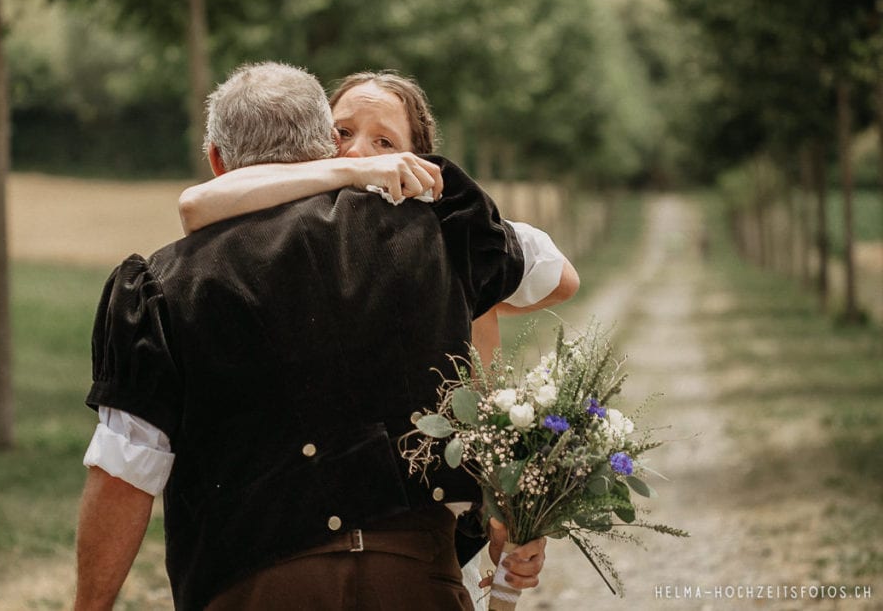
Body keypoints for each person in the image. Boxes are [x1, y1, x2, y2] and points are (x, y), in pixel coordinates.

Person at [74, 62, 570, 610]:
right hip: (416, 583)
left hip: (252, 585)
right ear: (324, 147)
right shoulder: (444, 232)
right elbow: (552, 272)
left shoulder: (163, 285)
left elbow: (125, 471)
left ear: (217, 160)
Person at [177, 70, 580, 366]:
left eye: (383, 142)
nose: (356, 152)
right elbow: (196, 205)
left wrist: (459, 299)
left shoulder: (448, 224)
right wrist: (349, 173)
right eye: (343, 133)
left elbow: (562, 281)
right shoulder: (293, 207)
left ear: (415, 159)